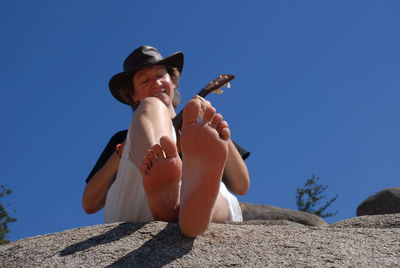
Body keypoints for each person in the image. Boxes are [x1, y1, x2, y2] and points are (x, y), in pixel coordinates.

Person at [82, 46, 250, 237]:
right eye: (145, 80)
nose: (156, 83)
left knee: (214, 191)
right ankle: (161, 178)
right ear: (133, 95)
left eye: (160, 75)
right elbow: (89, 203)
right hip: (136, 208)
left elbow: (241, 184)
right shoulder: (121, 139)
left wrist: (208, 120)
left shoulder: (201, 131)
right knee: (151, 104)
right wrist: (122, 153)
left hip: (203, 211)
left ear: (173, 81)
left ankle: (187, 208)